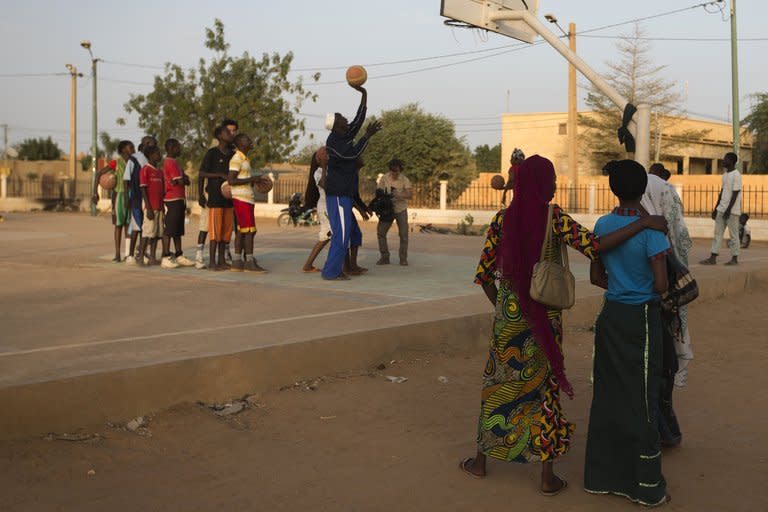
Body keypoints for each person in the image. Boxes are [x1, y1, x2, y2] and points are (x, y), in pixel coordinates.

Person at [460, 155, 668, 496]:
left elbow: (484, 275)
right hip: (545, 317)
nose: (555, 185)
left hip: (509, 318)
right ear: (542, 184)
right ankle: (546, 477)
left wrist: (503, 304)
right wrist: (643, 225)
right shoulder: (554, 217)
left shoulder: (501, 220)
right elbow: (595, 247)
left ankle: (480, 463)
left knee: (497, 385)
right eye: (552, 180)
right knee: (545, 392)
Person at [585, 159, 670, 506]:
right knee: (643, 398)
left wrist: (619, 283)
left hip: (611, 316)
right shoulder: (652, 231)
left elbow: (595, 276)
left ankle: (602, 477)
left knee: (608, 393)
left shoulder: (603, 223)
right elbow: (662, 284)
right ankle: (646, 485)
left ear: (612, 189)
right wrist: (639, 286)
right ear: (644, 189)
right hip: (642, 319)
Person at [641, 169, 693, 443]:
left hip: (627, 310)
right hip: (656, 308)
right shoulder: (655, 236)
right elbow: (663, 283)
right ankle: (661, 428)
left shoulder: (621, 225)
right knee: (663, 366)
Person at [322, 86, 382, 280]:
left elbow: (358, 120)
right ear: (337, 125)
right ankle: (332, 272)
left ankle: (336, 269)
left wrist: (364, 94)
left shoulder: (343, 136)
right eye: (342, 118)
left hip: (344, 195)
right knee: (341, 235)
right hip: (338, 195)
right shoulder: (333, 142)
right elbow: (353, 154)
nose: (347, 120)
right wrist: (366, 137)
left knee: (345, 234)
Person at [228, 133, 268, 273]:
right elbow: (231, 180)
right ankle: (250, 262)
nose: (250, 140)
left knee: (241, 231)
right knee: (250, 231)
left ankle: (237, 262)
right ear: (240, 143)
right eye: (247, 139)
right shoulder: (236, 158)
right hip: (242, 199)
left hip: (245, 199)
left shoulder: (245, 159)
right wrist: (253, 179)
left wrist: (252, 181)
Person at [199, 126, 235, 271]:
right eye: (227, 132)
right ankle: (212, 262)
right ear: (220, 135)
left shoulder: (233, 154)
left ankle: (222, 260)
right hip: (215, 198)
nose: (230, 134)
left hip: (229, 199)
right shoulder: (212, 153)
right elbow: (202, 173)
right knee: (215, 232)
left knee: (226, 232)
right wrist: (200, 194)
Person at [92, 140, 133, 262]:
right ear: (123, 150)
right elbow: (99, 173)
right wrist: (95, 193)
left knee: (128, 225)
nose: (133, 149)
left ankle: (128, 253)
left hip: (131, 195)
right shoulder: (116, 162)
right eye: (131, 147)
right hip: (119, 195)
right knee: (119, 225)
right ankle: (117, 254)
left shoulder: (133, 162)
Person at [701, 152, 742, 266]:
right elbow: (722, 192)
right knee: (717, 234)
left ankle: (734, 258)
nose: (723, 161)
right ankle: (713, 257)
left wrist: (728, 210)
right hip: (721, 209)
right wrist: (716, 208)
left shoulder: (736, 175)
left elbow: (735, 194)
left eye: (726, 159)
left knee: (733, 235)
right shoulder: (725, 175)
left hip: (732, 211)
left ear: (732, 161)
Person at [160, 139, 195, 269]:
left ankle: (179, 255)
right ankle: (166, 256)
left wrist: (183, 180)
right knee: (169, 229)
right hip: (171, 200)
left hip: (179, 198)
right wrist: (182, 180)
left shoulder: (176, 163)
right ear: (172, 148)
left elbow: (186, 180)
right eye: (178, 147)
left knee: (178, 230)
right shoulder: (169, 162)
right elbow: (180, 181)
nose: (180, 150)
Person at [123, 136, 156, 264]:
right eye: (153, 144)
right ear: (146, 143)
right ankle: (130, 255)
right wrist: (127, 197)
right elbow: (126, 180)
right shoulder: (134, 158)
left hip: (147, 199)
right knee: (137, 227)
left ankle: (141, 252)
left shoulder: (151, 160)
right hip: (137, 198)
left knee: (147, 228)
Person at [376, 159, 412, 266]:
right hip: (388, 209)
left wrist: (399, 195)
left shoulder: (404, 179)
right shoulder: (384, 178)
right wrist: (384, 196)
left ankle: (403, 258)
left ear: (400, 170)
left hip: (401, 209)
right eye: (392, 170)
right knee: (381, 232)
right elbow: (379, 191)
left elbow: (410, 195)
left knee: (403, 234)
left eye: (397, 171)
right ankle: (384, 257)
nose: (394, 173)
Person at [302, 147, 331, 273]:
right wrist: (324, 167)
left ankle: (308, 265)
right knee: (328, 235)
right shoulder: (319, 172)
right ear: (319, 160)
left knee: (328, 236)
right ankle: (310, 265)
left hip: (330, 206)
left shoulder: (330, 170)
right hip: (325, 207)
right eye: (326, 156)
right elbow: (324, 185)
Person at [137, 146, 165, 266]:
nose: (160, 155)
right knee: (147, 233)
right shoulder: (145, 170)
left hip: (159, 207)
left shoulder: (159, 172)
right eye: (157, 153)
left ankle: (153, 257)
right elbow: (143, 189)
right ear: (151, 155)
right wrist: (148, 208)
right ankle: (141, 257)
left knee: (156, 234)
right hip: (150, 207)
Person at [345, 158, 371, 275]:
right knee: (346, 237)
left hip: (348, 208)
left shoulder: (354, 175)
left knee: (355, 235)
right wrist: (361, 211)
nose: (362, 158)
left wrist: (365, 208)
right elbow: (349, 196)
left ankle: (352, 265)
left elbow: (355, 196)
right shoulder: (349, 174)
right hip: (343, 208)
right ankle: (347, 267)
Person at [222, 118, 240, 262]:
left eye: (234, 131)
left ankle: (238, 254)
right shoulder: (217, 150)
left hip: (237, 193)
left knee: (236, 226)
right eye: (229, 131)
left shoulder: (238, 149)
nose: (231, 133)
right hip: (221, 192)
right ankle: (222, 252)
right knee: (220, 226)